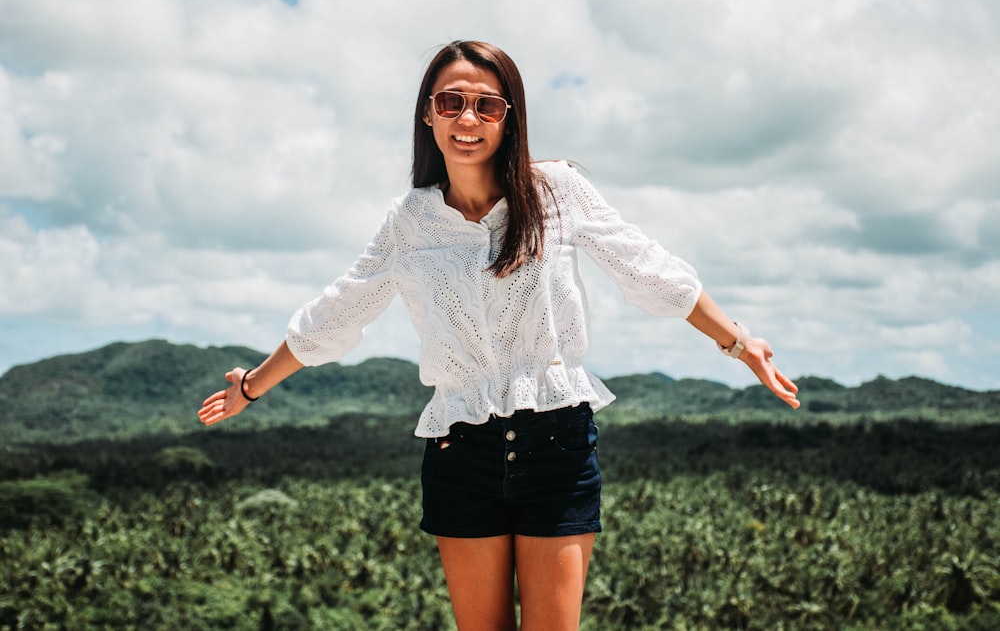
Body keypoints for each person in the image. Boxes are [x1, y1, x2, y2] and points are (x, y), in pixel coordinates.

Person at [199, 39, 800, 631]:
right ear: (427, 113)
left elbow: (646, 267)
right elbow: (335, 314)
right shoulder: (409, 221)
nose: (469, 119)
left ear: (510, 118)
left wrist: (740, 341)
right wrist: (252, 385)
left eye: (488, 105)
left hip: (556, 442)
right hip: (460, 451)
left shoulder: (556, 191)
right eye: (452, 101)